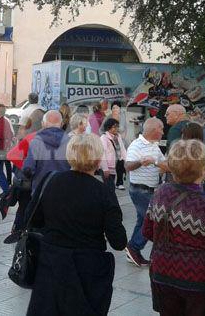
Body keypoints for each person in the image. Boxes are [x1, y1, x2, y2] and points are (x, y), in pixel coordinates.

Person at [26, 134, 127, 315]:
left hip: (51, 265)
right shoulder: (103, 192)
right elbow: (118, 242)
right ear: (97, 159)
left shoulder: (50, 181)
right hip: (87, 271)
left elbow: (33, 219)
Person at [143, 139, 205, 316]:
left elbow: (147, 232)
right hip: (197, 280)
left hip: (162, 272)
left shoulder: (160, 193)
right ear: (203, 171)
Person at [124, 117, 169, 267]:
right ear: (152, 130)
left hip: (149, 189)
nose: (163, 132)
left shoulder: (154, 146)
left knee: (142, 221)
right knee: (153, 221)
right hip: (139, 190)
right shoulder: (136, 145)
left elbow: (164, 163)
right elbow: (128, 165)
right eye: (161, 129)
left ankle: (133, 249)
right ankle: (135, 247)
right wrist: (140, 162)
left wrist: (157, 164)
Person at [4, 115, 45, 244]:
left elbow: (12, 155)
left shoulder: (30, 137)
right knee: (26, 208)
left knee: (23, 208)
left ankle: (18, 232)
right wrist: (27, 168)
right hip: (27, 182)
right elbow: (12, 155)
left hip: (23, 182)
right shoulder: (35, 138)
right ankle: (21, 232)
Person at [22, 110, 72, 192]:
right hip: (64, 189)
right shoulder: (70, 142)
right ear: (61, 124)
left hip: (40, 190)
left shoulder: (36, 142)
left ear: (43, 124)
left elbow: (28, 169)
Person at [101, 118, 128, 191]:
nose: (117, 128)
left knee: (112, 186)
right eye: (114, 127)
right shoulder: (104, 138)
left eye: (117, 126)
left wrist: (127, 161)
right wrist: (105, 168)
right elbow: (102, 154)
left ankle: (119, 184)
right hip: (109, 165)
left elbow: (122, 149)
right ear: (109, 127)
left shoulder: (118, 136)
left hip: (119, 161)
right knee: (109, 187)